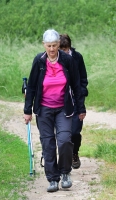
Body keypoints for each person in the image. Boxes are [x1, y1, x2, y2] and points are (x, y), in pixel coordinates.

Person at [23, 29, 86, 192]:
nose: (51, 49)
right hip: (44, 109)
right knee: (48, 143)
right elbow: (31, 87)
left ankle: (65, 173)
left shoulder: (67, 60)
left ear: (59, 44)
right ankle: (52, 179)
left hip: (63, 108)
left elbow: (76, 85)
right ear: (44, 45)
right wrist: (27, 110)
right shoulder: (39, 60)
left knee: (65, 139)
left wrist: (81, 108)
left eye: (54, 45)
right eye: (49, 45)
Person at [59, 34, 88, 169]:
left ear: (69, 48)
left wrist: (81, 95)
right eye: (61, 49)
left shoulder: (77, 57)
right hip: (60, 99)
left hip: (76, 98)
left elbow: (83, 78)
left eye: (65, 50)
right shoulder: (55, 58)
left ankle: (74, 152)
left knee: (75, 131)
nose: (63, 52)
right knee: (64, 131)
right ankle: (65, 156)